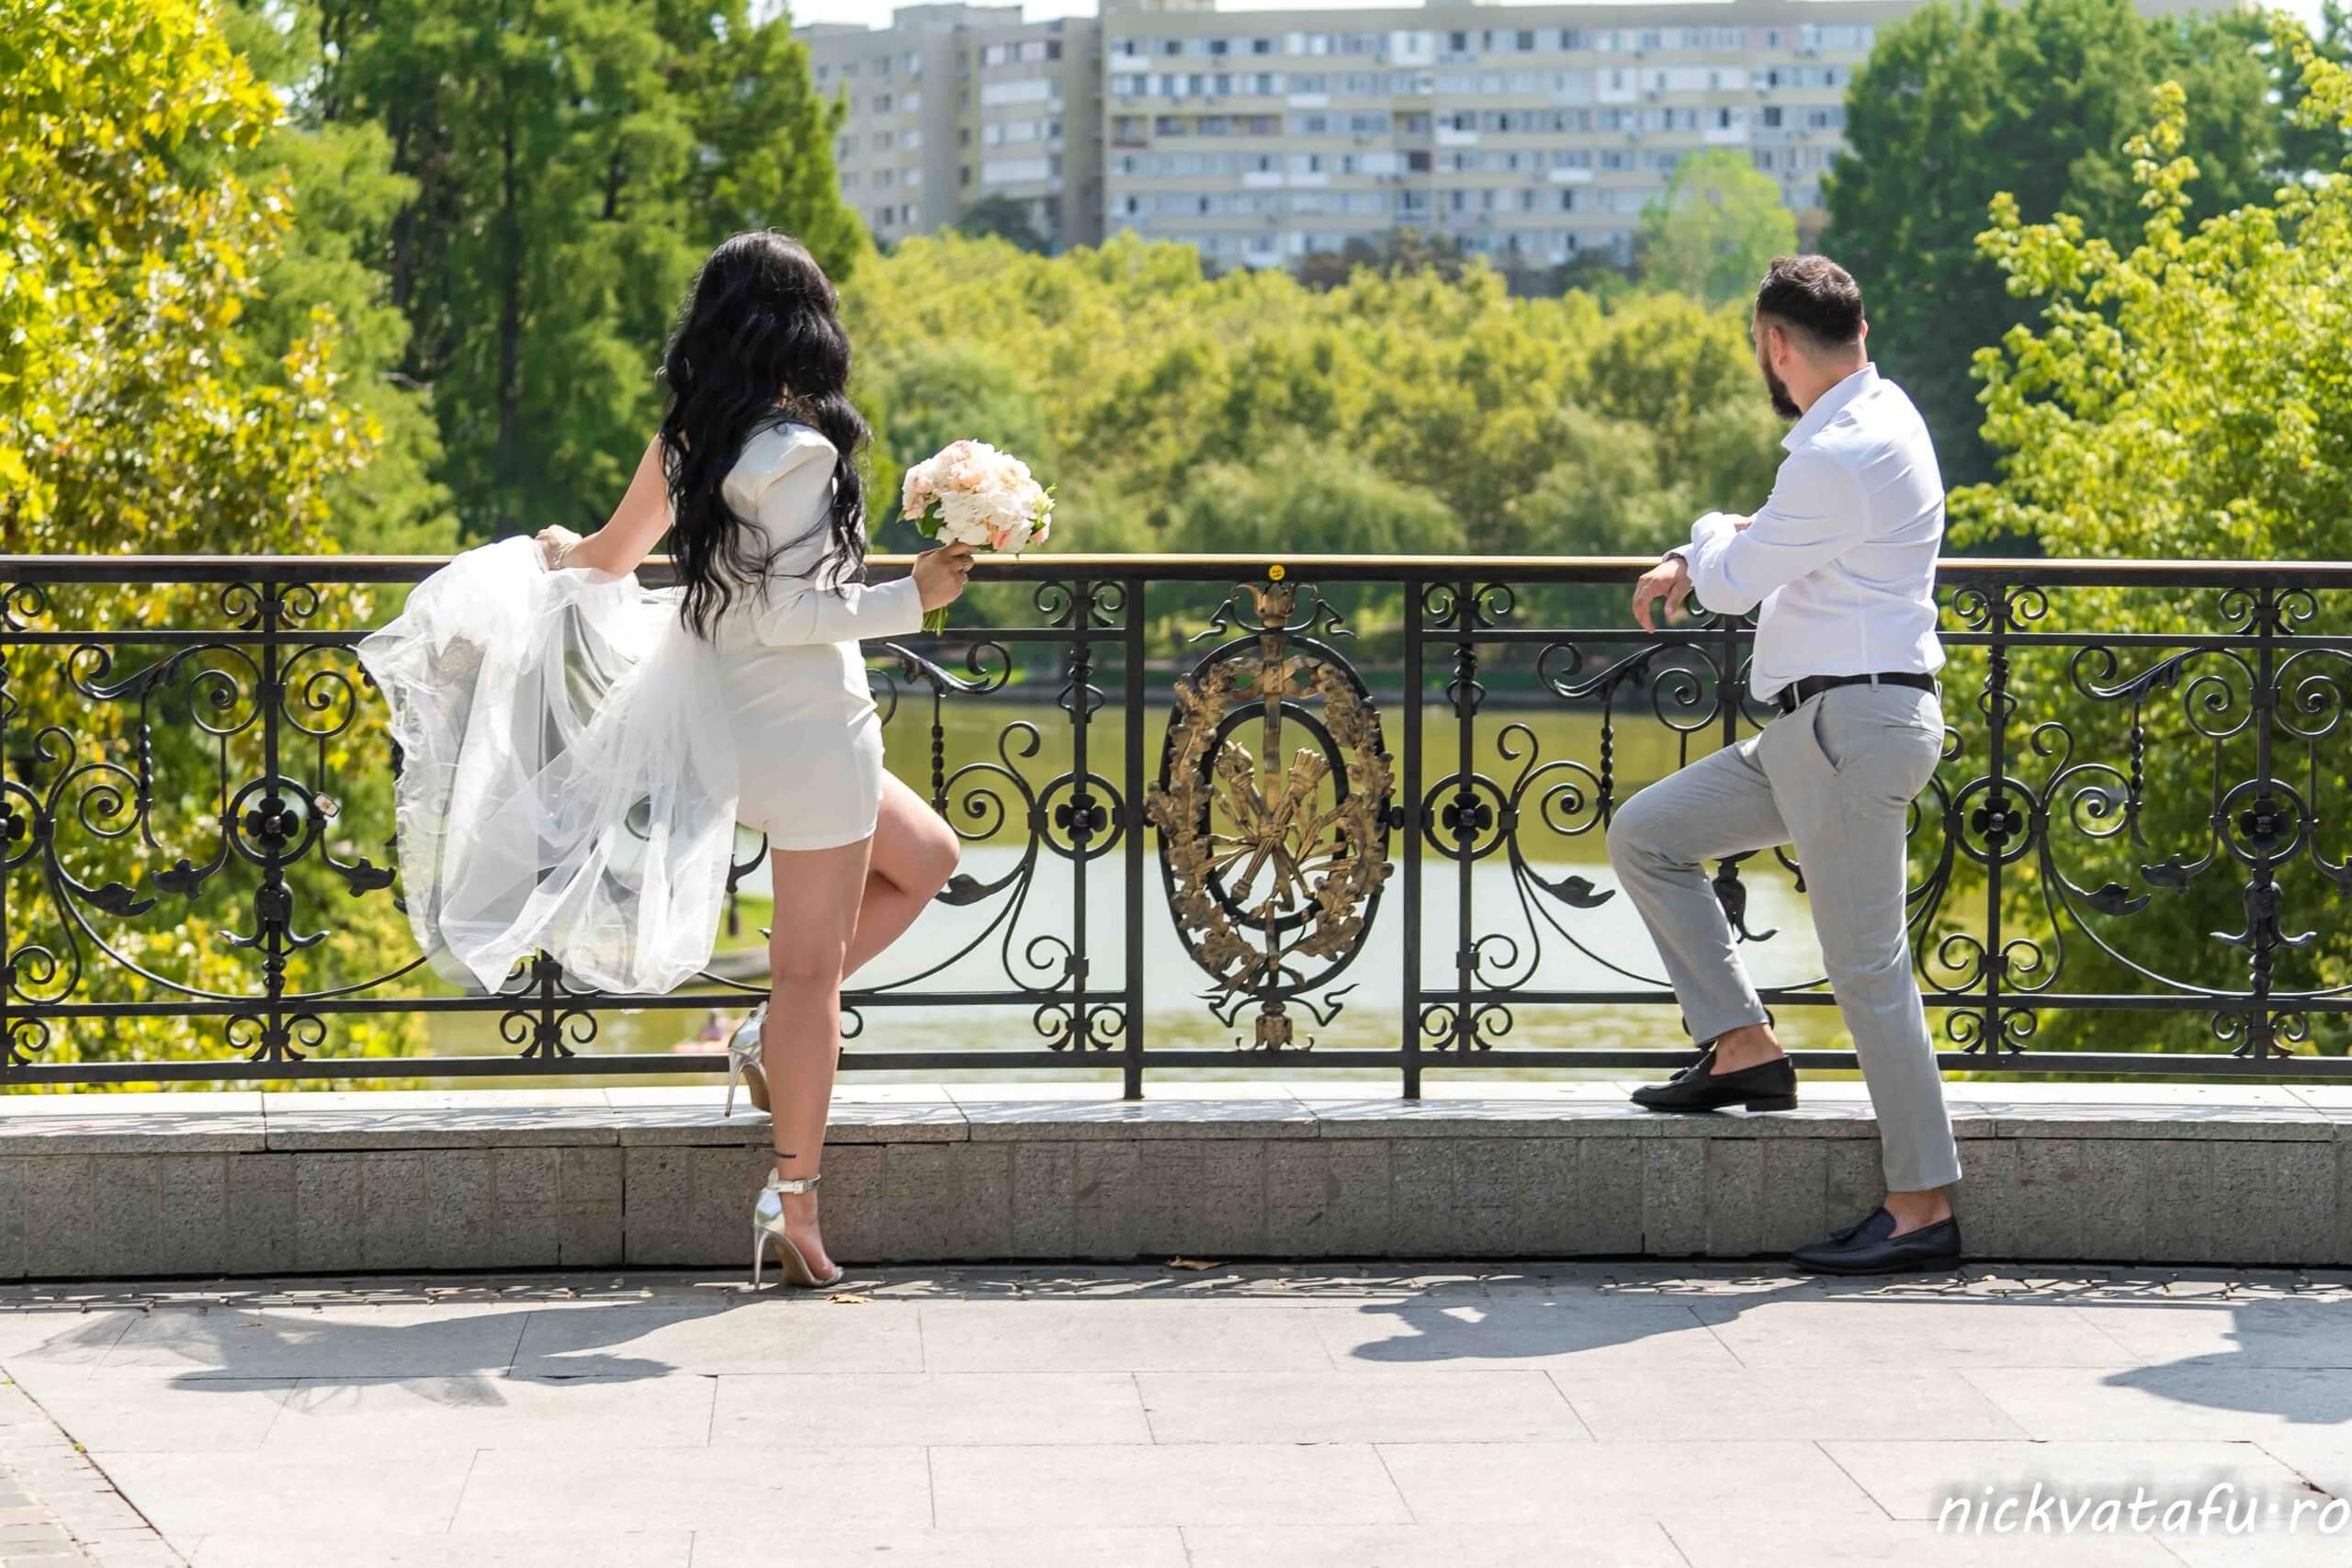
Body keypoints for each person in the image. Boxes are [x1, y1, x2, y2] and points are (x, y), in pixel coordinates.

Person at [412, 231, 970, 1290]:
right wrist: (917, 596)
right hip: (809, 734)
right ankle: (791, 1200)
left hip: (723, 729)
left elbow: (610, 559)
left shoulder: (687, 443)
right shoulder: (799, 453)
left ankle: (761, 1038)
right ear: (807, 327)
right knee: (811, 976)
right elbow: (798, 609)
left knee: (929, 855)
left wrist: (551, 551)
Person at [1614, 254, 1962, 1275]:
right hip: (1813, 732)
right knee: (1648, 835)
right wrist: (1723, 551)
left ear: (1774, 344)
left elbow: (1730, 582)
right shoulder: (1879, 417)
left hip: (1848, 731)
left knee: (1867, 971)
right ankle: (1742, 1047)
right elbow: (1771, 553)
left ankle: (1919, 1206)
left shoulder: (1835, 454)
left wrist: (1699, 540)